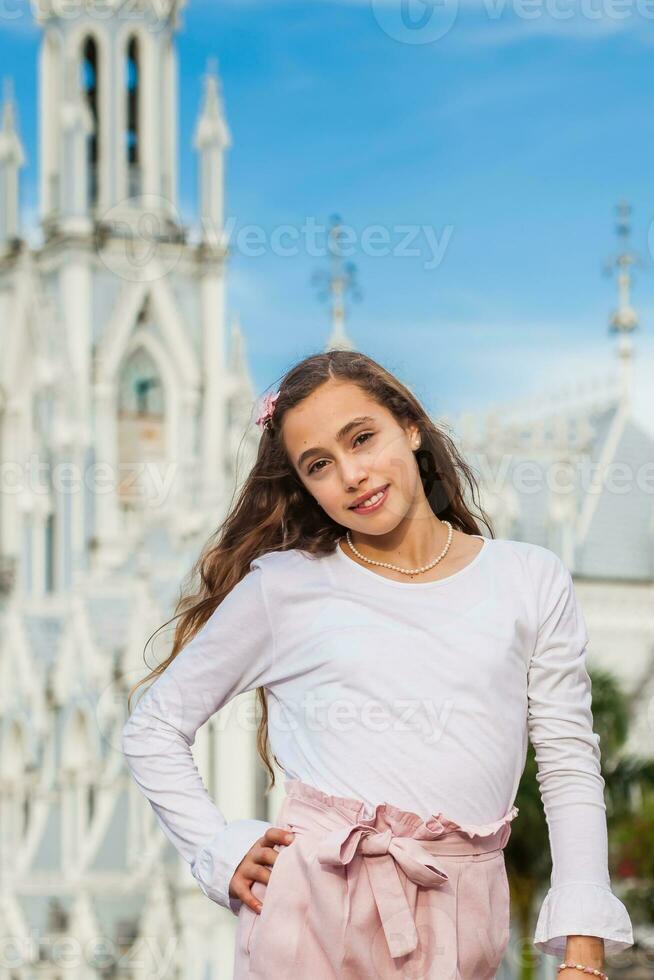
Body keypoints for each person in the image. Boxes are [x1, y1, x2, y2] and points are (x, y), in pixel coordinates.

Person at [122, 349, 633, 979]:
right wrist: (216, 847)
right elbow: (153, 727)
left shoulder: (529, 578)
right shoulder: (286, 589)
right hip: (312, 910)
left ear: (410, 426)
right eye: (320, 465)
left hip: (466, 911)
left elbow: (568, 762)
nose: (352, 474)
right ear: (306, 486)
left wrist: (583, 951)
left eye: (362, 438)